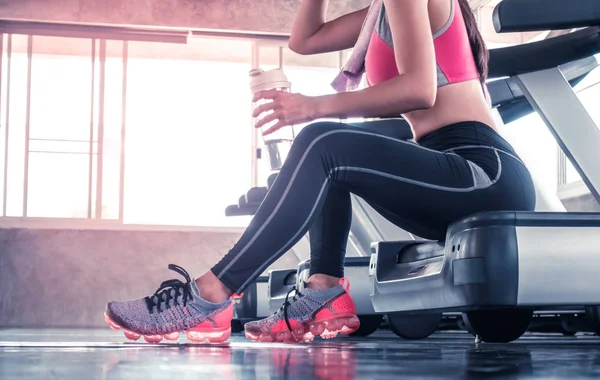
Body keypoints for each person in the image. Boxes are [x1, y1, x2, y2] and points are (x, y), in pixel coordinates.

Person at [104, 0, 536, 344]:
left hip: (482, 171)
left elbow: (419, 90)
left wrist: (312, 107)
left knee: (321, 140)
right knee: (328, 160)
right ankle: (322, 292)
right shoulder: (379, 12)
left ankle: (209, 296)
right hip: (452, 171)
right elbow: (304, 40)